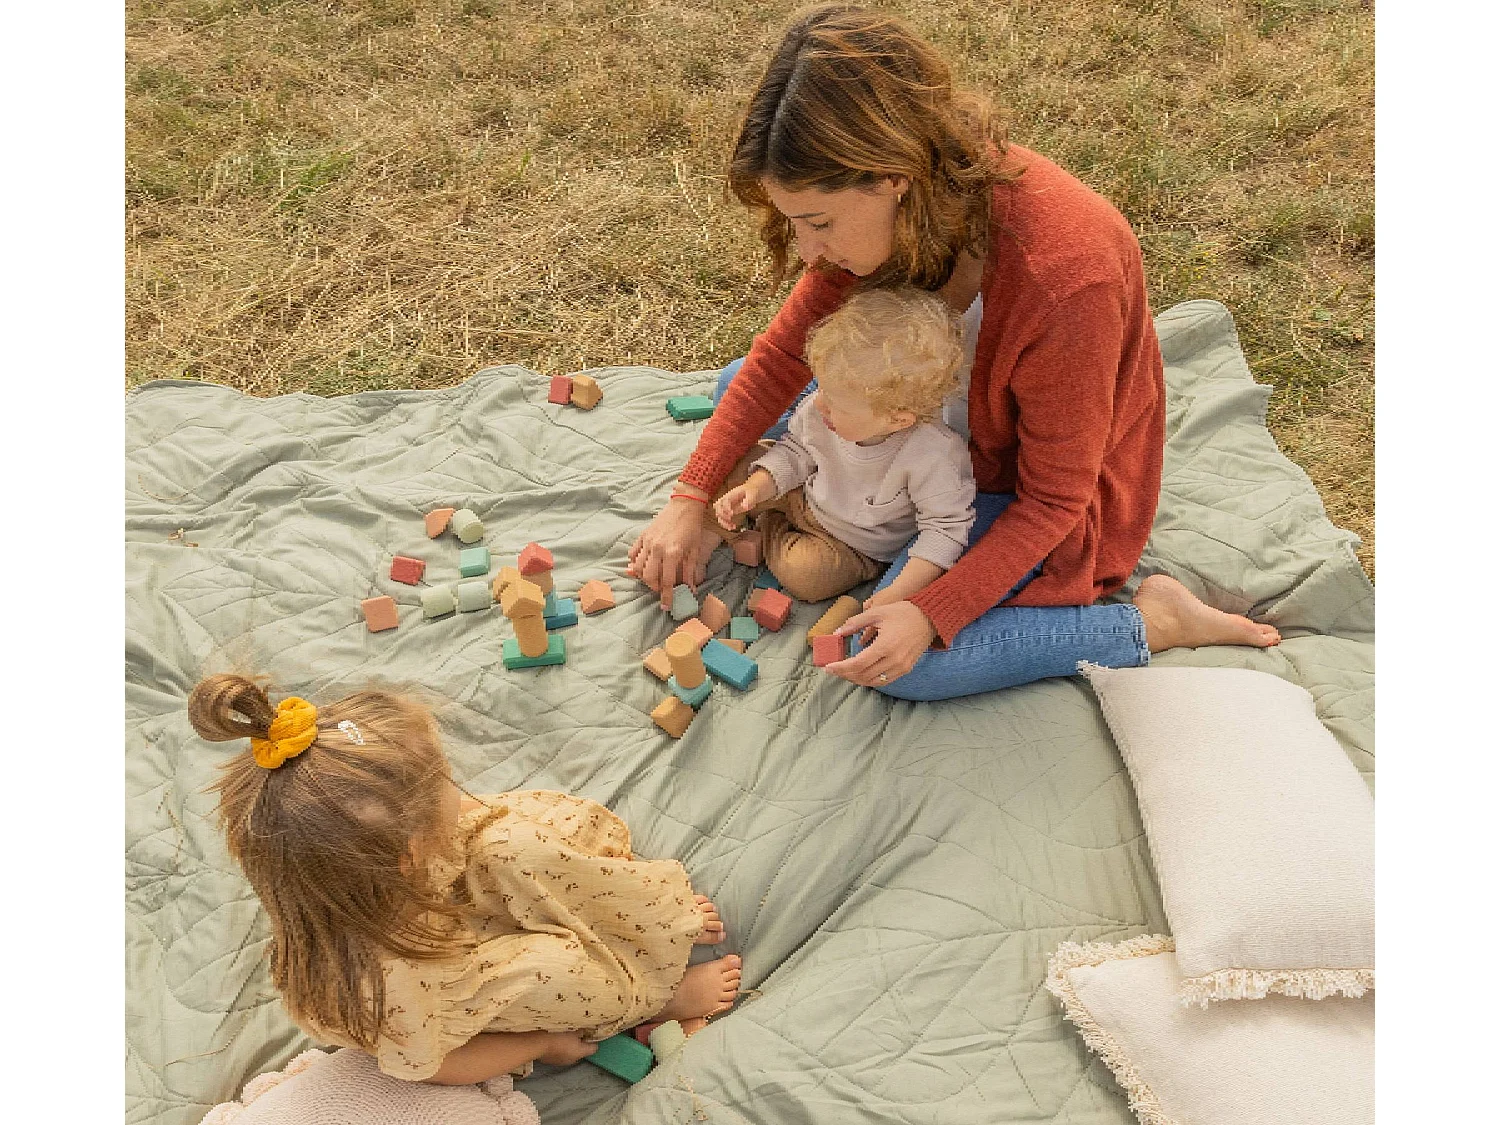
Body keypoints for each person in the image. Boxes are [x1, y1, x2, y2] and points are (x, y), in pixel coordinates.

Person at [627, 3, 1279, 700]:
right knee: (734, 388)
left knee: (913, 662)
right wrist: (690, 498)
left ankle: (1150, 623)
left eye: (818, 223)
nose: (809, 253)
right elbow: (779, 358)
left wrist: (928, 611)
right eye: (795, 224)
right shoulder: (885, 224)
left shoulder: (1066, 277)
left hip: (1009, 482)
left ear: (891, 177)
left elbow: (1055, 500)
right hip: (915, 424)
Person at [186, 674, 741, 1084]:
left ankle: (643, 919)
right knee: (556, 969)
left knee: (512, 845)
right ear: (407, 855)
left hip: (431, 906)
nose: (456, 785)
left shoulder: (350, 871)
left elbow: (473, 841)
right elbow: (434, 1066)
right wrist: (543, 1043)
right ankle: (650, 999)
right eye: (442, 784)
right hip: (448, 979)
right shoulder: (388, 992)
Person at [705, 286, 976, 605]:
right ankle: (753, 513)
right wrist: (756, 487)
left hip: (850, 546)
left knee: (808, 578)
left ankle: (766, 527)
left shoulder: (934, 456)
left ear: (898, 420)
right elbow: (796, 453)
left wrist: (900, 590)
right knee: (739, 463)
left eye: (836, 404)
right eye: (822, 388)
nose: (819, 405)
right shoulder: (825, 409)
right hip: (804, 494)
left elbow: (945, 530)